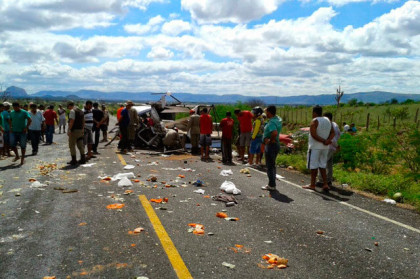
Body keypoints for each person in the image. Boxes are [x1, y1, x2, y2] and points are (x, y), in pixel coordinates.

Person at [303, 105, 335, 191]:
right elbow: (333, 132)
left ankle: (312, 184)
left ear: (314, 113)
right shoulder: (328, 120)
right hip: (325, 148)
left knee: (313, 166)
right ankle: (325, 184)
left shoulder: (315, 121)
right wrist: (328, 140)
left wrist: (323, 140)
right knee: (322, 166)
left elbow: (313, 134)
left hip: (315, 147)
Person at [261, 106, 282, 191]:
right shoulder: (278, 119)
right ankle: (272, 183)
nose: (266, 114)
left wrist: (270, 140)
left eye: (267, 112)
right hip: (275, 144)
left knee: (269, 166)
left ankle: (271, 185)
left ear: (270, 112)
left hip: (271, 145)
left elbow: (274, 132)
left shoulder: (272, 122)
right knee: (272, 165)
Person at [317, 112, 341, 187]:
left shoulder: (329, 126)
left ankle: (321, 180)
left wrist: (336, 146)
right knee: (329, 164)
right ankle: (329, 180)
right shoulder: (335, 124)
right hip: (332, 148)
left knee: (322, 164)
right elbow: (339, 135)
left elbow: (332, 139)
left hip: (328, 147)